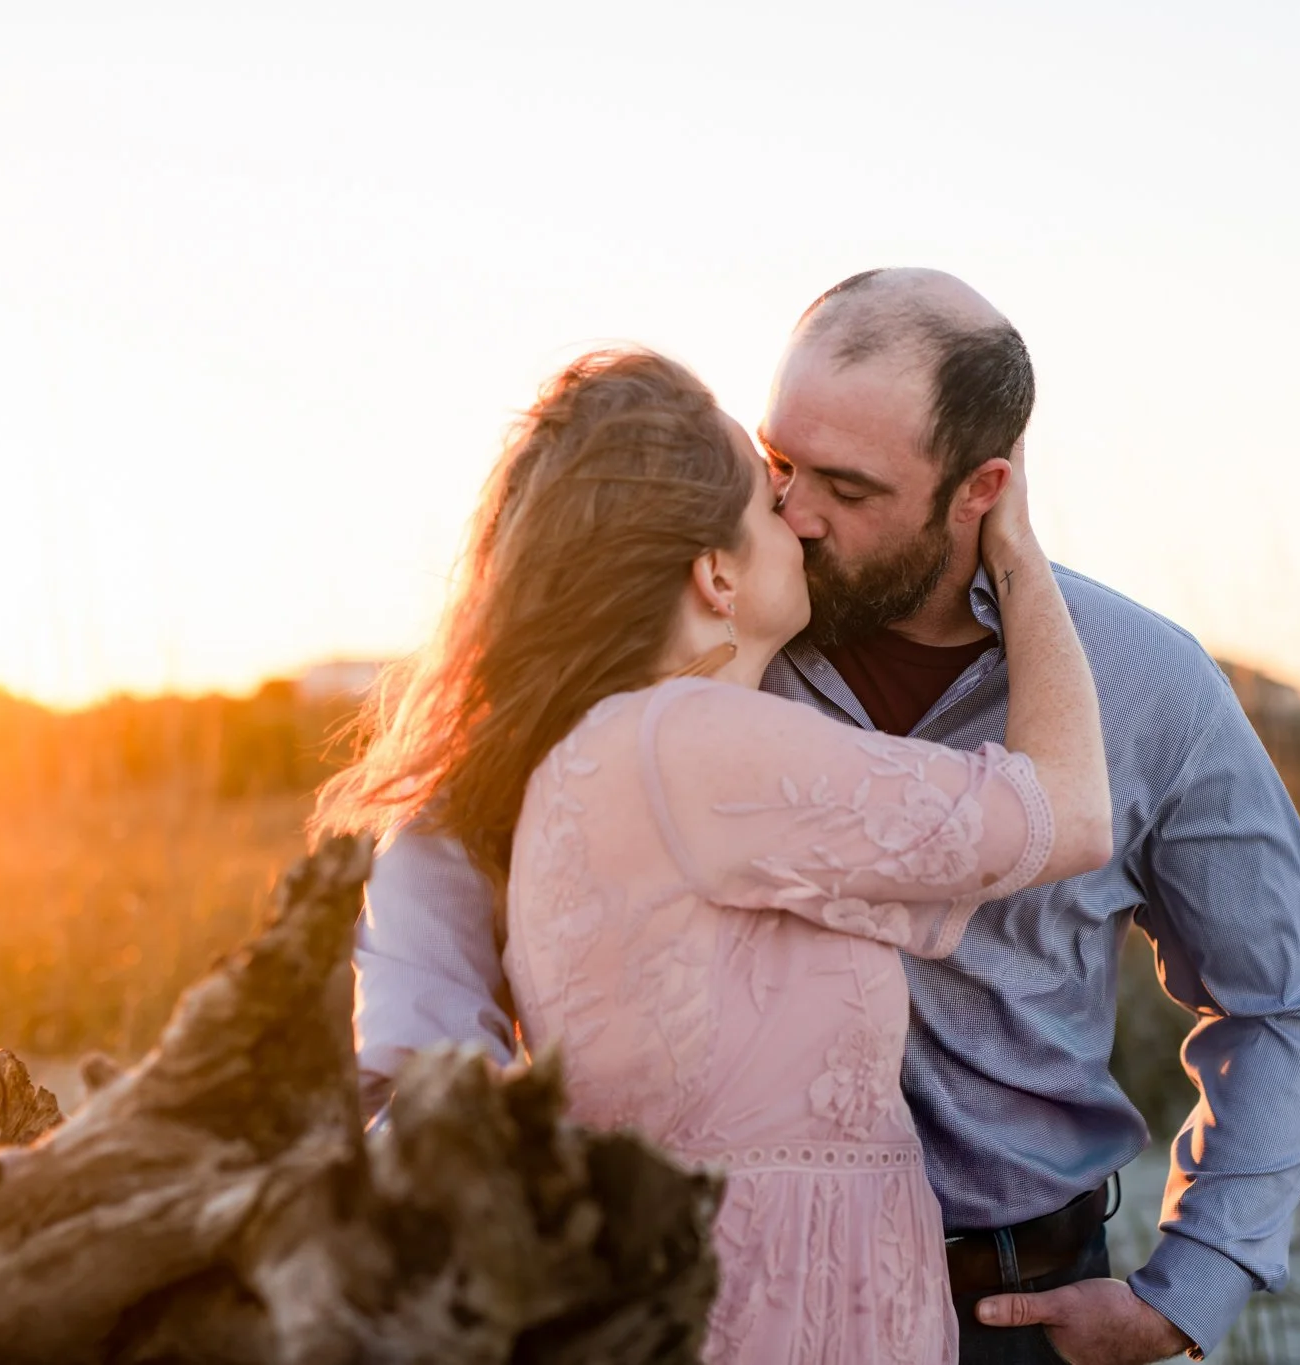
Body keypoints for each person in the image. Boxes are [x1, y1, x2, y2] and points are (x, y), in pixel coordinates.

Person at [350, 270, 1300, 1365]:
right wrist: (459, 1164)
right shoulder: (711, 634)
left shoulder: (1143, 683)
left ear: (980, 490)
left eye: (846, 486)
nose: (796, 512)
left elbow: (1285, 994)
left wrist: (1190, 1285)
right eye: (778, 464)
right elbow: (453, 841)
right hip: (695, 1305)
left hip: (1015, 1306)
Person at [316, 347, 1112, 1364]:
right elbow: (1068, 816)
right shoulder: (679, 746)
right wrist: (1018, 554)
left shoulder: (612, 755)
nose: (801, 517)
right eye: (770, 496)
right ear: (714, 573)